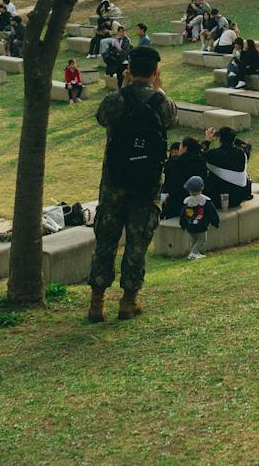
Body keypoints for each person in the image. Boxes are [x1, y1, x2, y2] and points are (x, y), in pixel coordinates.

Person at [88, 45, 177, 323]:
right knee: (137, 242)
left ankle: (97, 303)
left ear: (128, 71)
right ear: (155, 71)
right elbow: (172, 120)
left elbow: (101, 118)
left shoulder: (116, 100)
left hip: (114, 182)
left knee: (106, 240)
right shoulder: (161, 103)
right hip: (146, 184)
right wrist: (158, 90)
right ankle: (128, 301)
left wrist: (123, 87)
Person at [204, 127, 253, 207]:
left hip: (218, 199)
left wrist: (207, 140)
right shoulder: (241, 153)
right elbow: (246, 148)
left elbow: (199, 154)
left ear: (219, 139)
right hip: (239, 197)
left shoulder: (214, 154)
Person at [161, 139, 211, 219]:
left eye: (180, 146)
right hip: (198, 203)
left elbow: (168, 183)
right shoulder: (201, 162)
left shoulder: (174, 162)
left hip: (176, 204)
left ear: (185, 148)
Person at [176, 175, 218, 259]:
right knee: (202, 240)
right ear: (201, 188)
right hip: (201, 226)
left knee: (194, 240)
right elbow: (211, 212)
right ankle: (193, 254)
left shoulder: (187, 201)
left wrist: (183, 224)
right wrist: (215, 222)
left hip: (190, 225)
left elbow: (182, 215)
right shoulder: (205, 200)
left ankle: (194, 253)